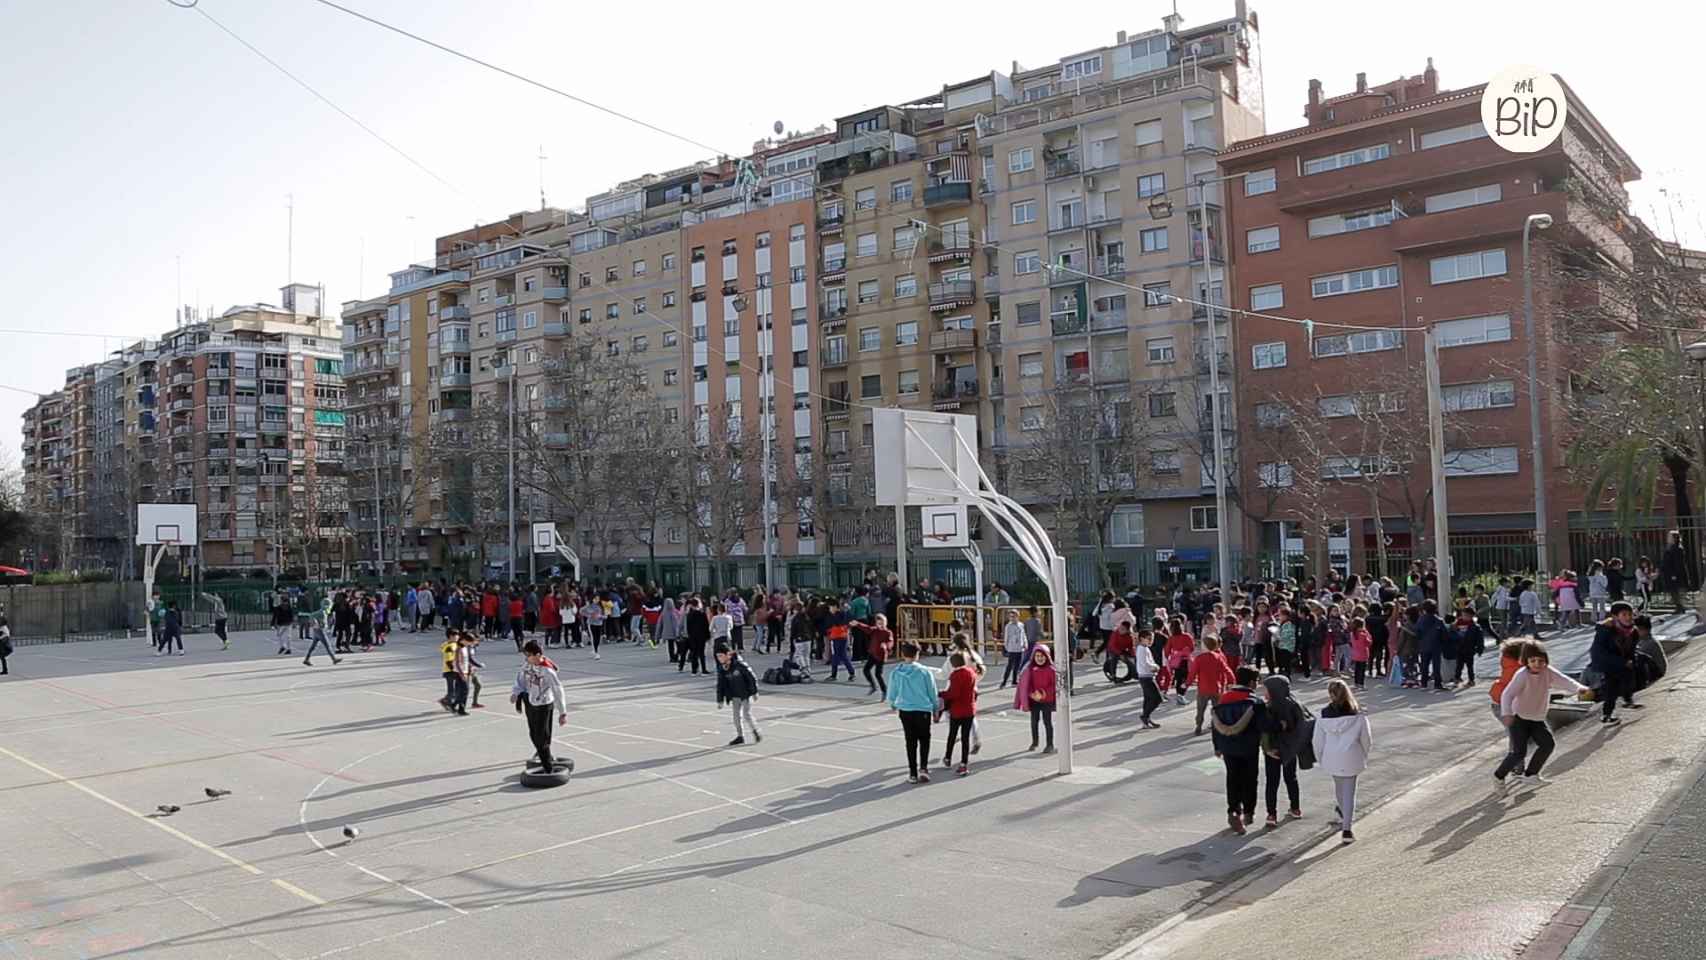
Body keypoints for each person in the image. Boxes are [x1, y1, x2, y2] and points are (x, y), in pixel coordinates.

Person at [1496, 640, 1590, 791]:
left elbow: (1564, 680)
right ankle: (1499, 776)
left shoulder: (1548, 671)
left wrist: (1579, 688)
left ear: (1546, 660)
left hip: (1537, 718)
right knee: (1519, 753)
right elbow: (1507, 694)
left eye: (1541, 661)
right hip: (1519, 717)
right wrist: (1506, 714)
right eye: (1533, 661)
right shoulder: (1522, 675)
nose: (1537, 664)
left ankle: (1530, 775)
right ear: (1526, 662)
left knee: (1547, 744)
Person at [1313, 679, 1372, 843]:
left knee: (1339, 788)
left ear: (1330, 695)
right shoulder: (1358, 715)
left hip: (1332, 757)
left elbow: (1317, 742)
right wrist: (1364, 755)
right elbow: (1366, 740)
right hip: (1352, 757)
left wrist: (1321, 758)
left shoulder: (1322, 716)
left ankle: (1342, 814)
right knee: (1349, 793)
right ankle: (1347, 828)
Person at [1210, 666, 1266, 836]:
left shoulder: (1223, 699)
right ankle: (1249, 812)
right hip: (1249, 747)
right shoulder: (1255, 702)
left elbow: (1215, 725)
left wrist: (1217, 746)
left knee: (1233, 778)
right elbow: (1264, 726)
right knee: (1250, 779)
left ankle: (1233, 811)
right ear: (1251, 682)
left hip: (1228, 746)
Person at [885, 639, 940, 783]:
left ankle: (912, 773)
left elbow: (892, 692)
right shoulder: (924, 672)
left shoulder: (896, 672)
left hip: (905, 709)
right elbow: (932, 691)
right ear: (917, 654)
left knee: (910, 741)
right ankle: (924, 768)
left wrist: (892, 703)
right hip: (922, 709)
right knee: (924, 739)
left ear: (903, 654)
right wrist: (935, 708)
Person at [1260, 674, 1308, 828]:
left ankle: (1271, 814)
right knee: (1291, 778)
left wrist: (1267, 749)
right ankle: (1295, 808)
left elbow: (1264, 731)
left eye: (1266, 689)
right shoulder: (1295, 705)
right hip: (1290, 750)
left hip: (1273, 750)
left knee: (1272, 782)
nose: (1264, 693)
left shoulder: (1268, 707)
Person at [511, 641, 569, 769]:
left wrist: (562, 712)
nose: (526, 658)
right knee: (534, 733)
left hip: (543, 704)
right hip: (530, 702)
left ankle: (548, 767)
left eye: (529, 655)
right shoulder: (527, 665)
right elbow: (520, 679)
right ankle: (542, 752)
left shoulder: (547, 671)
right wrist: (515, 693)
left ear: (537, 655)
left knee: (541, 735)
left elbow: (558, 690)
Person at [1589, 602, 1638, 724]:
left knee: (1629, 679)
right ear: (1615, 616)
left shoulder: (1633, 631)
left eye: (1630, 614)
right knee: (1611, 688)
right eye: (1624, 614)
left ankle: (1628, 700)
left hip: (1623, 662)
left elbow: (1631, 648)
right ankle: (1607, 715)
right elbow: (1599, 652)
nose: (1628, 617)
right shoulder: (1605, 631)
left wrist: (1632, 660)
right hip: (1608, 663)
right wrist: (1621, 662)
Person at [1013, 643, 1059, 754]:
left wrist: (1042, 694)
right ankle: (1035, 741)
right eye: (1037, 656)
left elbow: (1054, 685)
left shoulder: (1051, 670)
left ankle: (1049, 744)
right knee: (1034, 721)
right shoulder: (1030, 670)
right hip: (1034, 700)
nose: (1040, 658)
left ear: (1047, 656)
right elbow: (1027, 685)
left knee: (1047, 722)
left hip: (1047, 701)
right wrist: (1032, 694)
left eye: (1042, 656)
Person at [939, 651, 979, 776]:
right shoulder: (971, 673)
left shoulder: (955, 675)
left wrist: (942, 694)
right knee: (965, 737)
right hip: (969, 709)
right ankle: (963, 763)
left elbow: (953, 694)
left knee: (952, 735)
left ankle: (948, 757)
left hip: (957, 710)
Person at [715, 644, 762, 745]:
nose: (719, 659)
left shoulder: (740, 665)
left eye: (720, 656)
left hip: (746, 694)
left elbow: (751, 678)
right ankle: (740, 736)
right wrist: (720, 700)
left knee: (747, 714)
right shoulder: (722, 669)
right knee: (736, 717)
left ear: (728, 654)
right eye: (717, 656)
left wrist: (754, 692)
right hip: (734, 695)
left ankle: (755, 731)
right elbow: (720, 685)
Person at [1189, 635, 1235, 737]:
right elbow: (1227, 670)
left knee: (1200, 709)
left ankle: (1198, 726)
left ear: (1205, 646)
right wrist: (1231, 681)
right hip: (1216, 688)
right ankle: (1216, 726)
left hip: (1203, 688)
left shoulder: (1199, 658)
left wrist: (1186, 683)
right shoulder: (1219, 657)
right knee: (1217, 709)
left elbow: (1193, 673)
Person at [851, 613, 893, 697]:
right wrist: (858, 624)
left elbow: (890, 642)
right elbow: (866, 628)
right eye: (879, 624)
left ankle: (884, 690)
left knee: (878, 674)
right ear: (876, 624)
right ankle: (873, 686)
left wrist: (886, 645)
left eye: (882, 623)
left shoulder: (888, 632)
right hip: (872, 654)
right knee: (866, 670)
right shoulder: (874, 630)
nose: (880, 625)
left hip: (881, 656)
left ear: (885, 623)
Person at [1447, 610, 1485, 687]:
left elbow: (1480, 639)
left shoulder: (1475, 626)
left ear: (1471, 616)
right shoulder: (1455, 625)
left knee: (1469, 666)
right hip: (1459, 649)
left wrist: (1480, 649)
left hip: (1469, 649)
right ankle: (1457, 679)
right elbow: (1451, 635)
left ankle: (1471, 680)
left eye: (1466, 615)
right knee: (1459, 665)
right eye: (1463, 615)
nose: (1464, 617)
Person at [1134, 629, 1162, 729]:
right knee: (1157, 698)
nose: (1151, 641)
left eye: (1152, 639)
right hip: (1146, 677)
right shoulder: (1142, 649)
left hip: (1147, 676)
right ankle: (1145, 716)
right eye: (1149, 639)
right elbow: (1145, 663)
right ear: (1142, 639)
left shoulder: (1145, 648)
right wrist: (1154, 667)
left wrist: (1154, 667)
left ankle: (1146, 719)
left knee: (1148, 699)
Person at [825, 600, 856, 682]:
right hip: (841, 636)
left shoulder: (838, 615)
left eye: (830, 607)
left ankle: (835, 674)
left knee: (838, 656)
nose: (830, 609)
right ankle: (851, 673)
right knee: (842, 655)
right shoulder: (843, 613)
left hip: (838, 637)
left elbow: (836, 624)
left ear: (835, 606)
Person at [303, 599, 341, 666]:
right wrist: (315, 624)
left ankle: (306, 659)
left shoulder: (323, 612)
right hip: (320, 631)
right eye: (330, 605)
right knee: (327, 646)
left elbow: (312, 616)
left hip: (318, 631)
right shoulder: (322, 612)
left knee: (313, 646)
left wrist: (315, 624)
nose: (330, 607)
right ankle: (334, 659)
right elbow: (311, 615)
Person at [1660, 532, 1689, 611]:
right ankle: (1679, 607)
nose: (1667, 538)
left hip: (1674, 574)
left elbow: (1678, 563)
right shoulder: (1669, 547)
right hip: (1669, 573)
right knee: (1673, 591)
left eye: (1669, 536)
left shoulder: (1677, 548)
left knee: (1676, 591)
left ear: (1674, 538)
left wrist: (1674, 574)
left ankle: (1680, 607)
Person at [682, 597, 710, 674]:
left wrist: (689, 634)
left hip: (693, 636)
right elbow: (706, 625)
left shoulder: (689, 614)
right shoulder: (702, 614)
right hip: (701, 636)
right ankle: (704, 669)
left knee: (694, 652)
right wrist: (708, 635)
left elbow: (688, 626)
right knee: (701, 653)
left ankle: (694, 669)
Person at [1000, 610, 1027, 688]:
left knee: (1017, 666)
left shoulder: (1021, 625)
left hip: (1020, 648)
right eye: (1011, 616)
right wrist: (1007, 647)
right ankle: (1004, 681)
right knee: (1010, 665)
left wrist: (1025, 643)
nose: (1012, 618)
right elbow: (1006, 638)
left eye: (1014, 616)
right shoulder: (1008, 626)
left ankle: (1014, 681)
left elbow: (1023, 635)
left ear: (1017, 617)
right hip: (1012, 648)